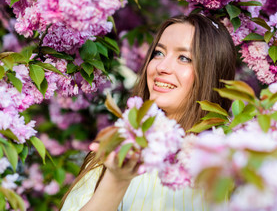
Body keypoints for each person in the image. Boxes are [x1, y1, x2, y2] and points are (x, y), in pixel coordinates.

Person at [60, 14, 236, 211]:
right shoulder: (118, 148)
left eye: (184, 58)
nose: (161, 67)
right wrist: (117, 179)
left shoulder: (234, 157)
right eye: (159, 53)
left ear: (212, 73)